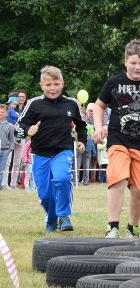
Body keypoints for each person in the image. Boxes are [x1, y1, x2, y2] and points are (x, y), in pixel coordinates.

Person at [92, 39, 140, 239]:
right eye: (133, 62)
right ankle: (112, 226)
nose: (137, 67)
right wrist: (100, 127)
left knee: (139, 189)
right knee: (117, 178)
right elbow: (99, 105)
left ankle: (132, 227)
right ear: (125, 61)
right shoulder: (114, 83)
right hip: (119, 140)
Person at [19, 66, 87, 232]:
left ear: (62, 84)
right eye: (48, 84)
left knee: (62, 178)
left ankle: (64, 216)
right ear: (41, 85)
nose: (52, 88)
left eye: (56, 84)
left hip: (62, 151)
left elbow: (82, 125)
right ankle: (51, 221)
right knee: (45, 194)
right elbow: (19, 124)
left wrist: (82, 141)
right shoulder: (34, 104)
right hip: (40, 154)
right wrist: (28, 130)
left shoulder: (71, 104)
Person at [0, 104, 15, 190]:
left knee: (1, 170)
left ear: (6, 114)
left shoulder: (9, 126)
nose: (0, 114)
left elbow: (11, 139)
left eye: (2, 112)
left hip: (4, 150)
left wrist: (9, 150)